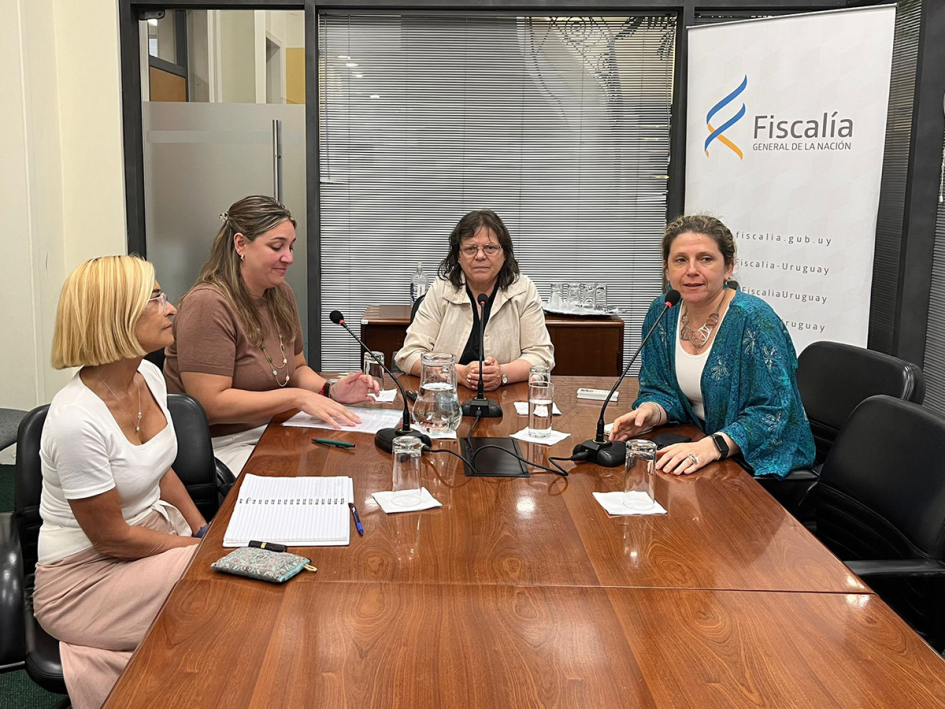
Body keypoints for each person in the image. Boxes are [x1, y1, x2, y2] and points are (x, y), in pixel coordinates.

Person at [33, 256, 207, 709]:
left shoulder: (147, 375)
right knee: (220, 585)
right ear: (115, 317)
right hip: (84, 577)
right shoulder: (75, 420)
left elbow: (157, 468)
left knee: (228, 573)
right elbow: (110, 538)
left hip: (146, 541)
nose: (171, 308)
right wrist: (200, 550)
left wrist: (203, 528)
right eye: (155, 298)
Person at [164, 196, 378, 475]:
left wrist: (331, 391)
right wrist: (295, 398)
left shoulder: (280, 294)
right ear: (240, 244)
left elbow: (297, 368)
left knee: (355, 459)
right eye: (277, 247)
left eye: (291, 247)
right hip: (222, 445)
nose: (288, 257)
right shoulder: (208, 303)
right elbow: (210, 404)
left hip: (277, 427)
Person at [610, 215, 814, 479]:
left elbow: (774, 410)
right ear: (666, 269)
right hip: (695, 448)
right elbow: (659, 388)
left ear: (728, 268)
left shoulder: (754, 319)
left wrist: (714, 445)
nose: (692, 270)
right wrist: (651, 412)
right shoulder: (664, 312)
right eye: (680, 260)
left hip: (759, 463)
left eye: (706, 259)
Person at [395, 209, 554, 390]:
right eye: (471, 248)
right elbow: (409, 356)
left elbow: (541, 357)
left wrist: (502, 373)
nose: (480, 256)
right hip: (447, 398)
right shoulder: (442, 289)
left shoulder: (523, 290)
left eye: (490, 248)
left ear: (504, 254)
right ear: (458, 256)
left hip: (506, 401)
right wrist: (457, 373)